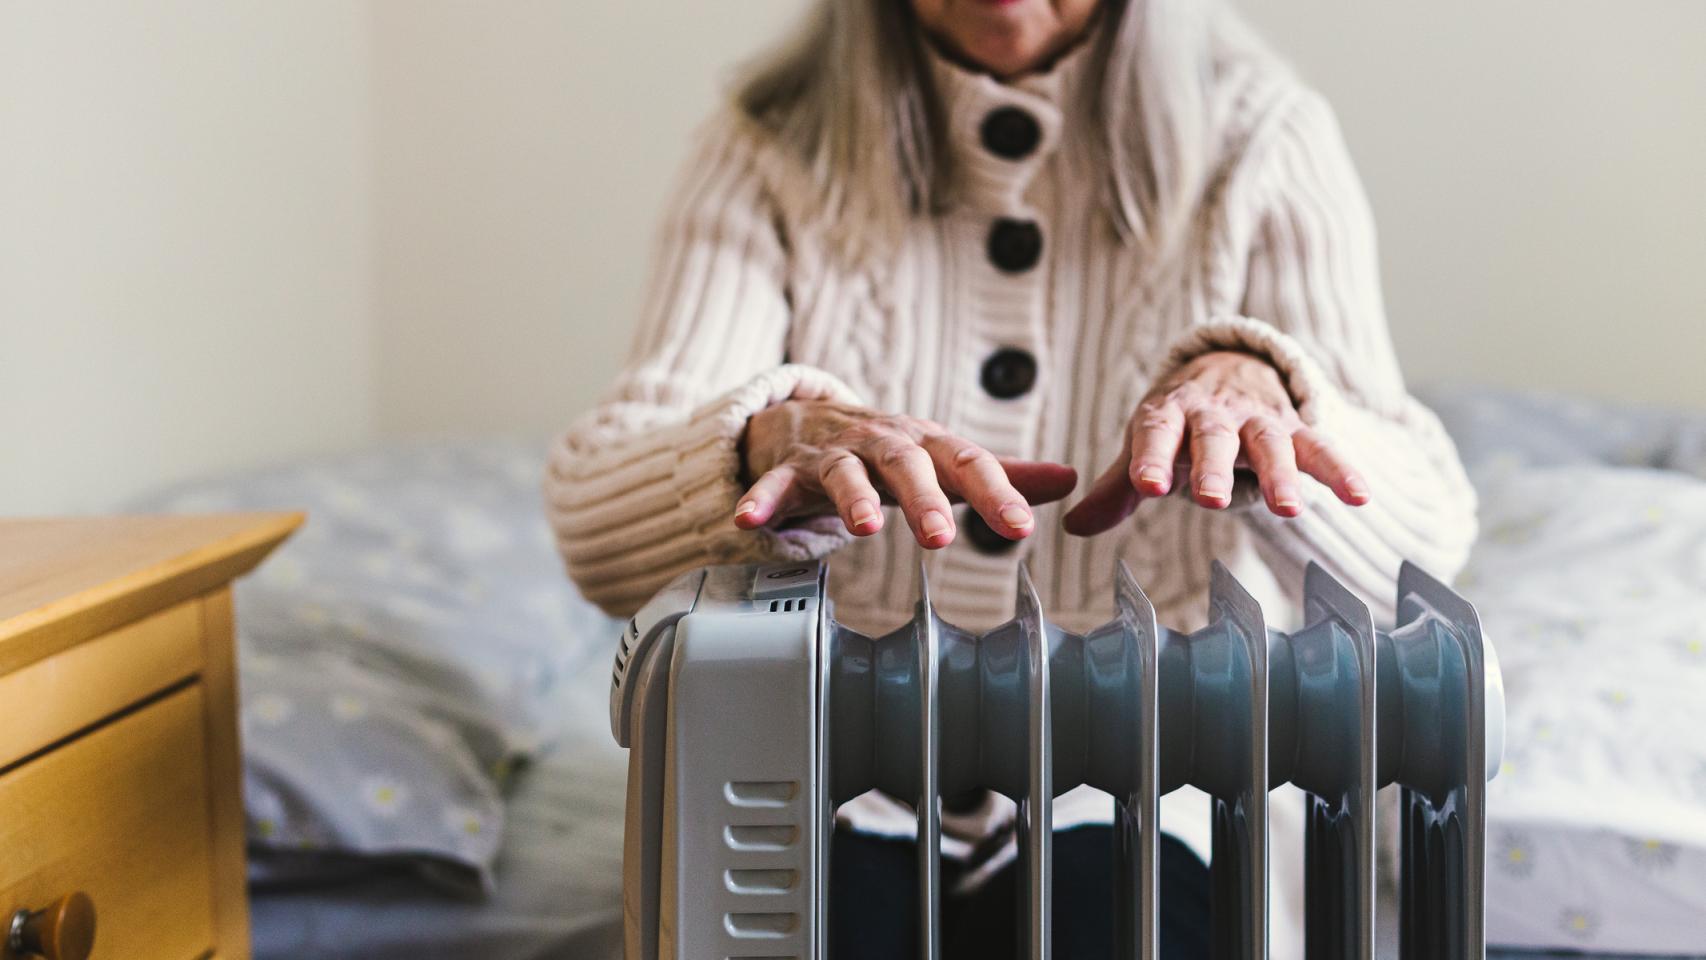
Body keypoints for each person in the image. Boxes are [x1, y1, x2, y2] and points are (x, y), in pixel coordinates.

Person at [546, 0, 1476, 954]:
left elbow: (1422, 548)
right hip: (826, 782)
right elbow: (594, 532)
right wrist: (757, 444)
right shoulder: (767, 144)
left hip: (1163, 792)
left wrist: (1271, 391)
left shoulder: (1266, 138)